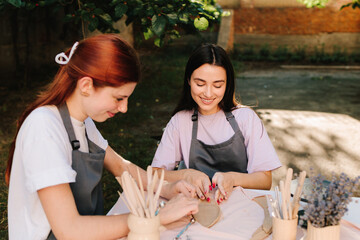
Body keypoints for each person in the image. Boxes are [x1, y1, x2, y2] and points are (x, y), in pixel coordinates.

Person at [6, 34, 198, 240]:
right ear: (86, 85)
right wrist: (153, 217)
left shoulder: (83, 121)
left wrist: (168, 189)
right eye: (119, 98)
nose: (124, 108)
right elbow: (69, 230)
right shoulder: (44, 127)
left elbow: (120, 167)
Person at [151, 43, 281, 204]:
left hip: (243, 207)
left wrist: (232, 179)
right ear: (188, 81)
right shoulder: (180, 121)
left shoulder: (246, 119)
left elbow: (264, 181)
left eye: (217, 85)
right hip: (196, 208)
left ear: (227, 85)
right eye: (200, 84)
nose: (208, 93)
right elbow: (155, 174)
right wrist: (186, 175)